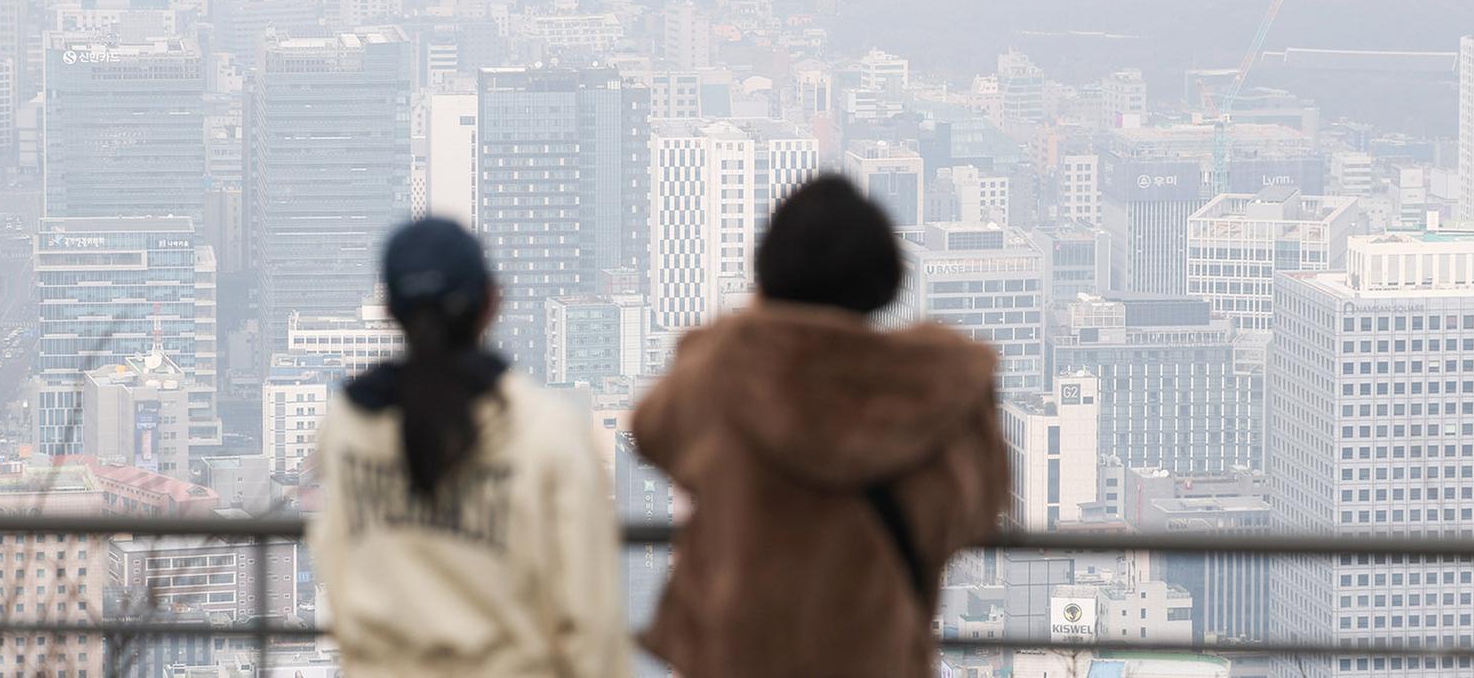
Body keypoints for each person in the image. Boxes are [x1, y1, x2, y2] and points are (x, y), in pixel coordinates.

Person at [634, 175, 1010, 678]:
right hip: (875, 659)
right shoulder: (931, 392)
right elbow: (976, 511)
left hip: (736, 659)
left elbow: (652, 429)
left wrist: (755, 322)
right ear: (884, 278)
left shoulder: (726, 374)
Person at [313, 217, 632, 678]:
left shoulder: (348, 425)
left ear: (388, 311)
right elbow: (590, 619)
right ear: (492, 302)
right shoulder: (548, 431)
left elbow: (338, 573)